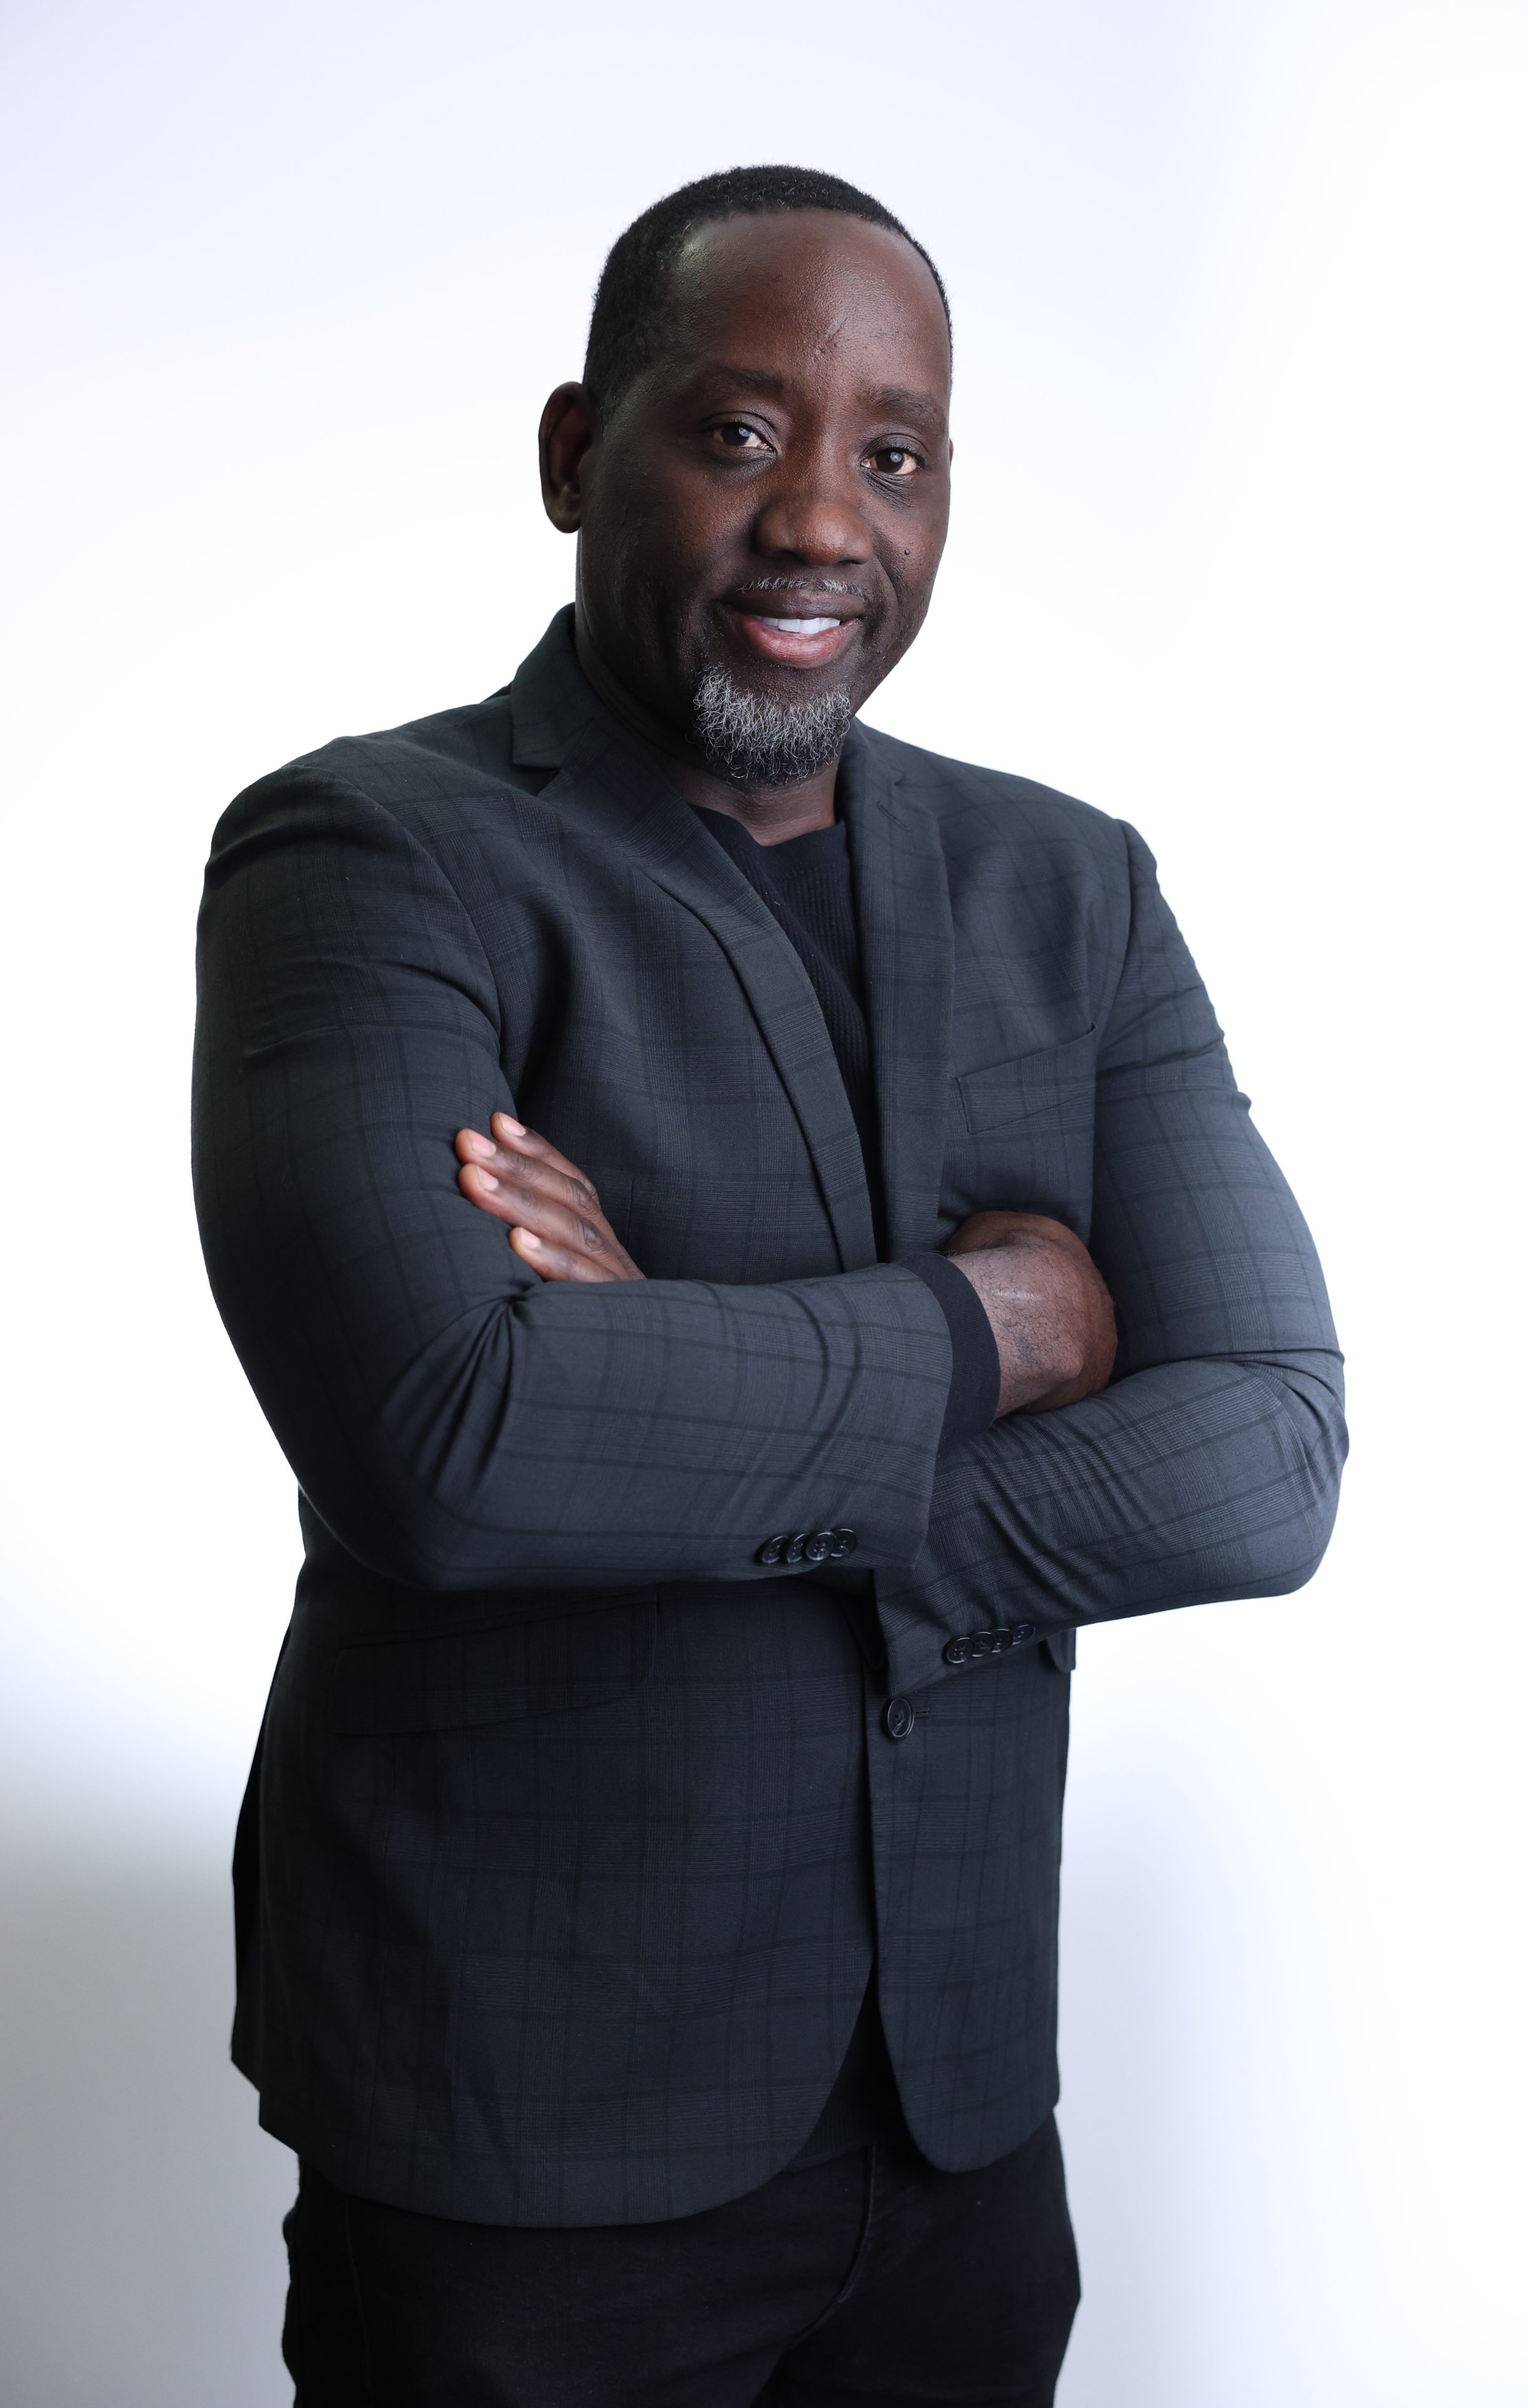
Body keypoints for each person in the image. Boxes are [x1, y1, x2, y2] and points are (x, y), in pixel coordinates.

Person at [192, 164, 1346, 2407]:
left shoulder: (1070, 887)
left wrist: (677, 1365)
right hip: (517, 2126)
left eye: (893, 453)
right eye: (739, 434)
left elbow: (1265, 1459)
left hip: (956, 2125)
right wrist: (990, 1336)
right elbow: (466, 1439)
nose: (825, 519)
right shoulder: (371, 856)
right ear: (572, 452)